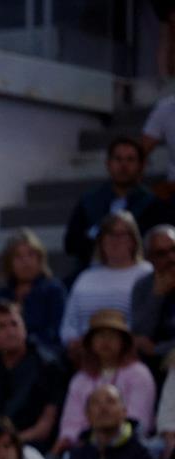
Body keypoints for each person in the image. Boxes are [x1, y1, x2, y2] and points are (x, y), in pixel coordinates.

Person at [56, 309, 155, 453]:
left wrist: (107, 436)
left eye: (112, 336)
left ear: (123, 342)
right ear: (90, 342)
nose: (106, 341)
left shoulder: (140, 374)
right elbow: (70, 425)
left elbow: (139, 422)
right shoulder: (80, 379)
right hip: (85, 447)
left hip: (130, 446)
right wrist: (73, 439)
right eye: (100, 335)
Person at [0, 300, 63, 444]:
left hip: (34, 446)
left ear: (25, 327)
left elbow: (45, 426)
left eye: (15, 324)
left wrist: (11, 444)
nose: (11, 332)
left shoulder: (48, 367)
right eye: (1, 326)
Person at [61, 211, 154, 357]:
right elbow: (69, 322)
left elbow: (147, 318)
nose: (115, 240)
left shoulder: (146, 273)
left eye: (121, 234)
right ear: (101, 240)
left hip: (128, 354)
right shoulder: (85, 276)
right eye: (109, 234)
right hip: (84, 355)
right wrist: (72, 341)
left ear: (133, 240)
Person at [66, 137, 160, 273]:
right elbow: (71, 243)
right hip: (94, 270)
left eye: (130, 160)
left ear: (141, 165)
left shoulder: (153, 204)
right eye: (118, 159)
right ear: (108, 163)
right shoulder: (89, 201)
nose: (123, 165)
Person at [0, 228, 67, 353]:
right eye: (18, 257)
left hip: (43, 351)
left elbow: (56, 331)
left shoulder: (53, 290)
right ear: (9, 263)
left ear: (40, 259)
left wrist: (22, 342)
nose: (26, 262)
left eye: (31, 255)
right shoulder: (1, 296)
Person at [132, 225, 175, 370]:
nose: (171, 258)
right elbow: (139, 334)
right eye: (161, 253)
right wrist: (156, 296)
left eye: (174, 249)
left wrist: (157, 350)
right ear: (149, 258)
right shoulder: (143, 286)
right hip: (151, 364)